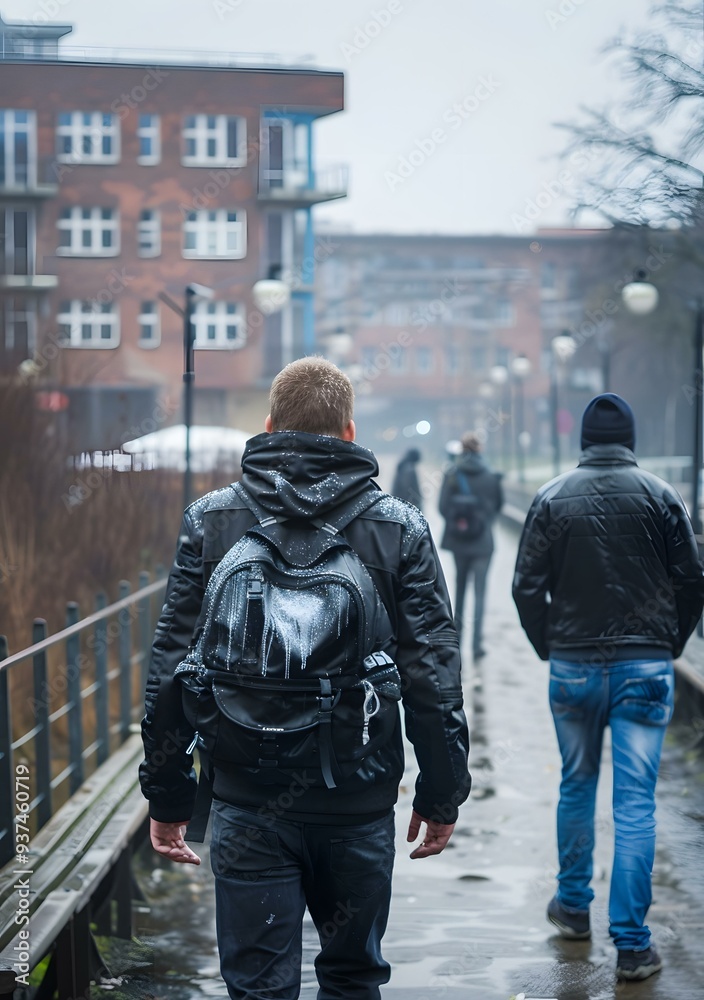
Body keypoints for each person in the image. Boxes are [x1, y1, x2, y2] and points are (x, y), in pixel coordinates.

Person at [139, 357, 471, 1000]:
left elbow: (172, 664)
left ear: (268, 427)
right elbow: (432, 672)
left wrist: (169, 794)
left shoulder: (213, 519)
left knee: (258, 986)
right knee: (351, 978)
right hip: (358, 797)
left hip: (246, 796)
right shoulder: (398, 528)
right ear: (349, 433)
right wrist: (441, 790)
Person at [512, 393, 704, 982]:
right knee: (635, 803)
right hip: (645, 667)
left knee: (576, 784)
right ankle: (633, 946)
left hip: (574, 666)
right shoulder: (661, 496)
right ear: (630, 441)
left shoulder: (551, 497)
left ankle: (573, 906)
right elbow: (692, 580)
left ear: (584, 442)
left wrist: (550, 645)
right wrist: (669, 643)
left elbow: (526, 586)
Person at [438, 431, 503, 660]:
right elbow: (498, 506)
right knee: (480, 594)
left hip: (459, 542)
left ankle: (457, 641)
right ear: (480, 449)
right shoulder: (491, 475)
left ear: (462, 450)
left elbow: (442, 507)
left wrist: (460, 524)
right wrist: (482, 523)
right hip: (483, 542)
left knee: (460, 589)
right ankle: (476, 645)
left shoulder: (452, 474)